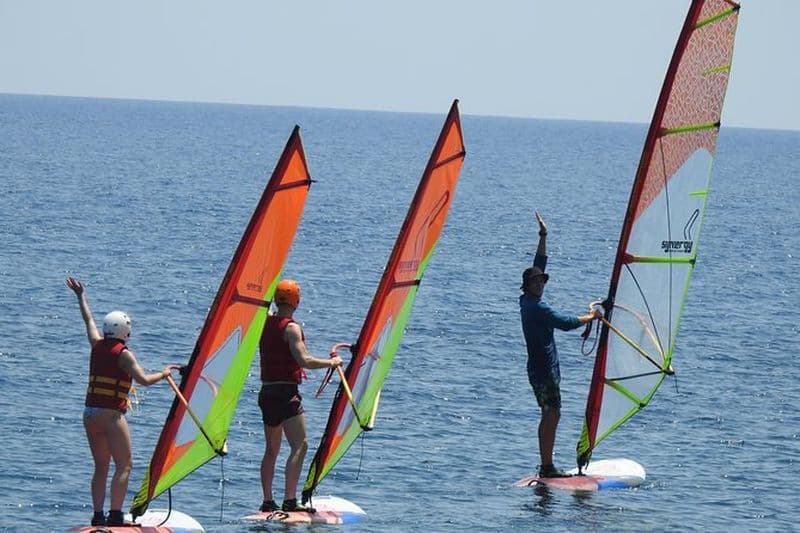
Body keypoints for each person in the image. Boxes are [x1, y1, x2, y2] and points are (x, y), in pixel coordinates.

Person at [66, 277, 172, 526]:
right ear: (125, 331)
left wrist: (80, 296)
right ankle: (115, 516)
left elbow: (88, 321)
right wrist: (165, 373)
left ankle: (97, 516)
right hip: (111, 415)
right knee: (124, 465)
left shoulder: (97, 344)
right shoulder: (124, 355)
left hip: (89, 414)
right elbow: (144, 380)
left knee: (101, 467)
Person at [518, 213, 599, 478]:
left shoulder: (526, 300)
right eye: (535, 282)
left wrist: (543, 235)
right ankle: (547, 466)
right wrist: (592, 317)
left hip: (543, 369)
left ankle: (546, 465)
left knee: (550, 412)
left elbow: (538, 263)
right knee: (552, 414)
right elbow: (564, 322)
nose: (540, 285)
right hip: (543, 371)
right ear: (527, 287)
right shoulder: (534, 307)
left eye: (541, 281)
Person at [258, 279, 342, 513]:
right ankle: (290, 500)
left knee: (271, 449)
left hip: (266, 392)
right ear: (297, 301)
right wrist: (332, 362)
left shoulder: (263, 323)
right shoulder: (291, 327)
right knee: (300, 445)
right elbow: (304, 360)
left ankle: (267, 501)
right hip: (285, 393)